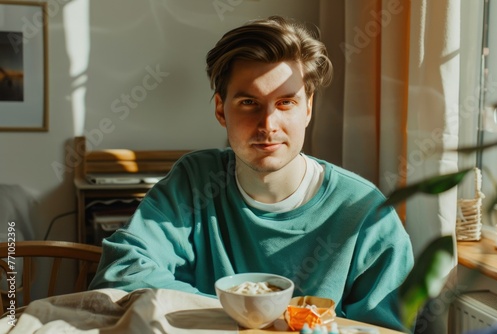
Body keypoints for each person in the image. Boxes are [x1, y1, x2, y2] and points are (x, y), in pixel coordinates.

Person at [89, 16, 414, 331]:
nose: (268, 125)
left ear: (309, 108)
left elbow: (391, 329)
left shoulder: (366, 213)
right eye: (248, 102)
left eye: (286, 103)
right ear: (220, 109)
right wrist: (255, 316)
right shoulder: (194, 181)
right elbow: (121, 274)